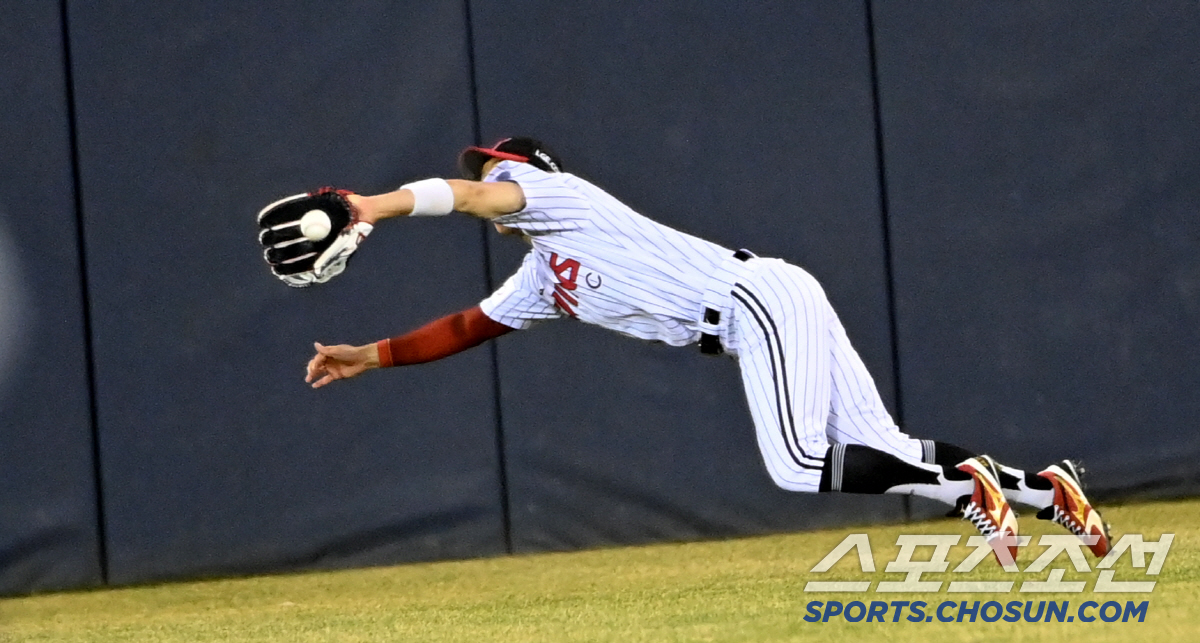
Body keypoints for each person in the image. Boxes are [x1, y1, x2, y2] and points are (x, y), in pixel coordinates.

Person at [303, 137, 1110, 564]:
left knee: (797, 464)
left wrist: (372, 204)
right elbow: (464, 328)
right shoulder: (541, 276)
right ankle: (1048, 491)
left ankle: (958, 482)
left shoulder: (559, 195)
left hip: (755, 302)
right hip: (771, 296)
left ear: (530, 172)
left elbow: (470, 194)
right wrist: (364, 356)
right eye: (491, 168)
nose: (491, 177)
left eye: (501, 166)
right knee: (882, 447)